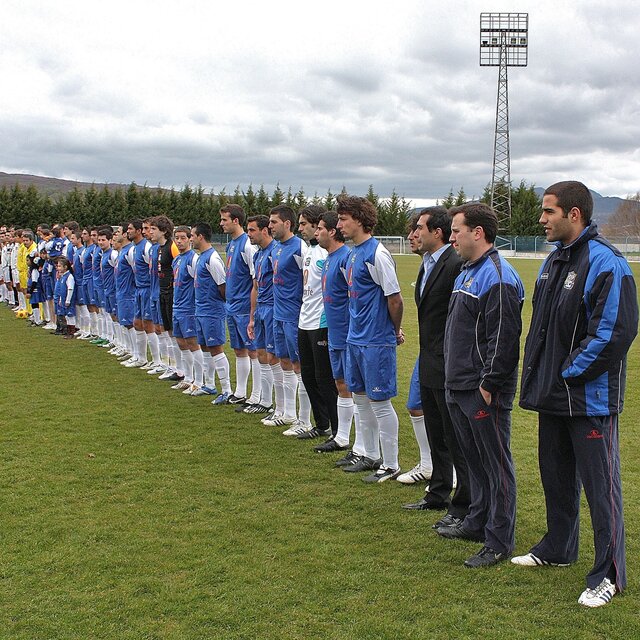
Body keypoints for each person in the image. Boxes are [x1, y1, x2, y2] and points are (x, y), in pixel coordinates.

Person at [514, 181, 638, 607]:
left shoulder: (607, 264)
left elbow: (613, 334)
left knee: (602, 489)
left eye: (548, 212)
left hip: (589, 400)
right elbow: (543, 330)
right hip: (554, 396)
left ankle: (610, 575)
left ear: (574, 215)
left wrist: (568, 374)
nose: (541, 219)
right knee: (556, 478)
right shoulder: (553, 262)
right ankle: (558, 548)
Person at [437, 202, 523, 569]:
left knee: (495, 465)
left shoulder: (498, 276)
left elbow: (503, 339)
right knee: (473, 463)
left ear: (478, 233)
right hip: (457, 386)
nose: (451, 236)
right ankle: (476, 521)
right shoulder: (467, 272)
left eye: (456, 230)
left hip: (481, 390)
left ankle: (499, 540)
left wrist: (489, 384)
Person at [403, 208, 471, 532]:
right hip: (429, 360)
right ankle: (438, 492)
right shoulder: (427, 264)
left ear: (438, 233)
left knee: (455, 437)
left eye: (419, 228)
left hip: (449, 363)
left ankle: (463, 505)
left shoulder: (455, 265)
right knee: (436, 433)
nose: (414, 234)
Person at [336, 194, 404, 483]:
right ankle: (370, 455)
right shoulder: (353, 253)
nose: (339, 224)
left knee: (380, 402)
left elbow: (395, 299)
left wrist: (393, 330)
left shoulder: (377, 253)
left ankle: (391, 464)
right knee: (361, 400)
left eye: (343, 218)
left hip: (376, 341)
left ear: (360, 220)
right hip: (355, 339)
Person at [314, 211, 364, 459]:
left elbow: (355, 297)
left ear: (332, 231)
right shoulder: (329, 258)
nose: (315, 233)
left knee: (355, 388)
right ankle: (342, 437)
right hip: (334, 331)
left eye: (320, 228)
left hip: (348, 333)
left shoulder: (346, 258)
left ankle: (363, 445)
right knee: (340, 383)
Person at [263, 204, 311, 432]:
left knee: (299, 365)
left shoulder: (300, 247)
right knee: (283, 361)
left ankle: (305, 419)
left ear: (287, 224)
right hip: (277, 313)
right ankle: (286, 412)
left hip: (294, 315)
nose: (269, 226)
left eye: (273, 222)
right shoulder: (276, 248)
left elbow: (308, 281)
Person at [295, 205, 337, 440]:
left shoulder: (326, 253)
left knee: (324, 378)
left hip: (321, 321)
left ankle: (335, 427)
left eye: (304, 224)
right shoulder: (308, 251)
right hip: (304, 319)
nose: (301, 228)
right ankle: (321, 424)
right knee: (308, 376)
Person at [220, 204, 260, 405]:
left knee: (253, 350)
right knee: (238, 349)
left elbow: (256, 279)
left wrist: (253, 310)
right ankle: (241, 391)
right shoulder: (231, 244)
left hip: (244, 306)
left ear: (235, 220)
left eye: (224, 220)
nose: (221, 224)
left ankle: (257, 395)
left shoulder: (247, 245)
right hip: (232, 305)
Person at [190, 222, 233, 399]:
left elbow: (223, 286)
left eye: (192, 235)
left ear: (200, 236)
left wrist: (218, 305)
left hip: (212, 311)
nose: (191, 239)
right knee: (205, 347)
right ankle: (209, 384)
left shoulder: (212, 258)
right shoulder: (201, 256)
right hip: (201, 309)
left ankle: (227, 390)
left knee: (216, 348)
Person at [246, 214, 281, 415]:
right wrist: (251, 317)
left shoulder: (275, 252)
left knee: (274, 357)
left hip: (274, 310)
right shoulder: (257, 255)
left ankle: (281, 407)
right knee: (260, 354)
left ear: (264, 231)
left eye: (252, 230)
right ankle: (265, 401)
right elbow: (256, 287)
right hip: (260, 310)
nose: (249, 234)